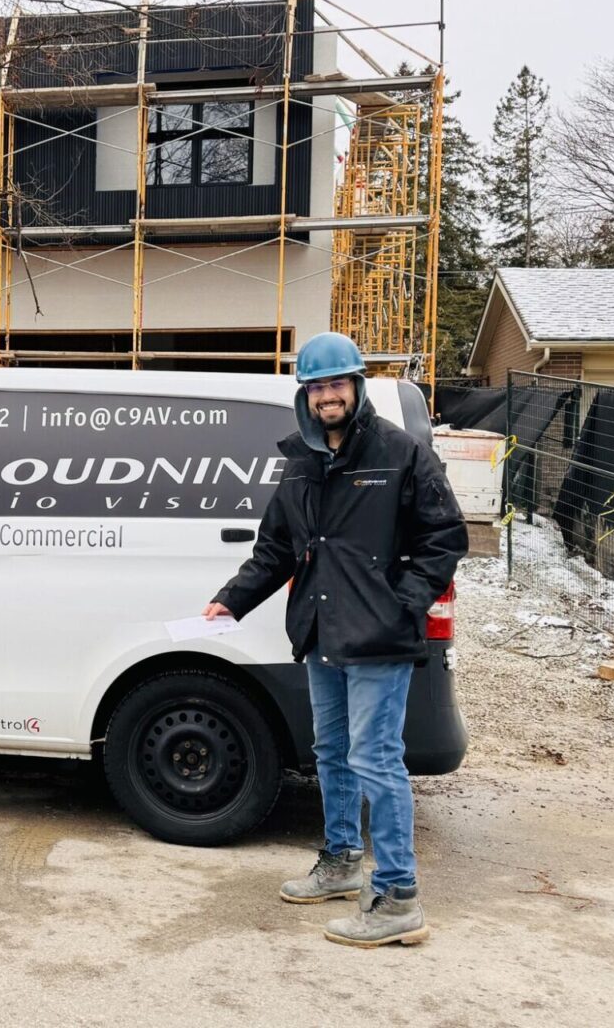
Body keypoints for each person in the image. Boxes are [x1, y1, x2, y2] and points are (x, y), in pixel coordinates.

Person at [203, 332, 466, 948]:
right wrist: (232, 599)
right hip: (320, 632)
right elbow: (274, 549)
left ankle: (399, 895)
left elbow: (445, 538)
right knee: (330, 752)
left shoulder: (399, 453)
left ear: (356, 386)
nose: (327, 395)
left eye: (337, 384)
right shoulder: (299, 460)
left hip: (379, 637)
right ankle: (342, 861)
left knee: (376, 758)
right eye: (317, 386)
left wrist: (401, 605)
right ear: (306, 393)